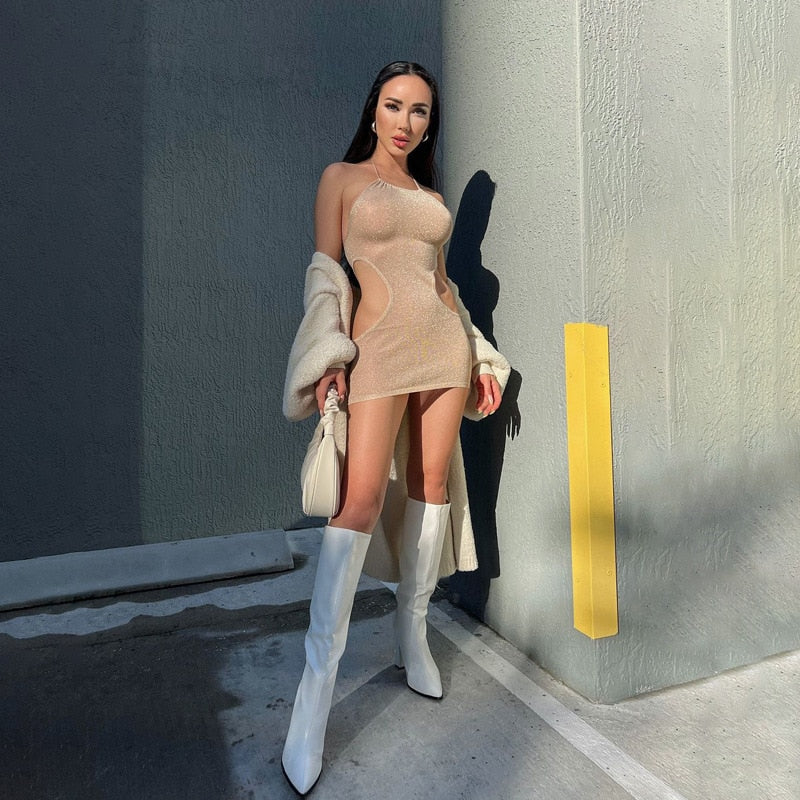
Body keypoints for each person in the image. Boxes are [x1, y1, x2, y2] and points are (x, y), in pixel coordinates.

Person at [281, 61, 510, 795]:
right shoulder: (341, 179)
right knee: (359, 502)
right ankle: (314, 699)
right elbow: (326, 276)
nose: (406, 122)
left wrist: (479, 354)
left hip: (441, 347)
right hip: (377, 350)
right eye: (394, 105)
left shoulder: (431, 199)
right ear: (373, 110)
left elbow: (443, 288)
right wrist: (329, 357)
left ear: (428, 124)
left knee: (431, 485)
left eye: (420, 111)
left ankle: (413, 637)